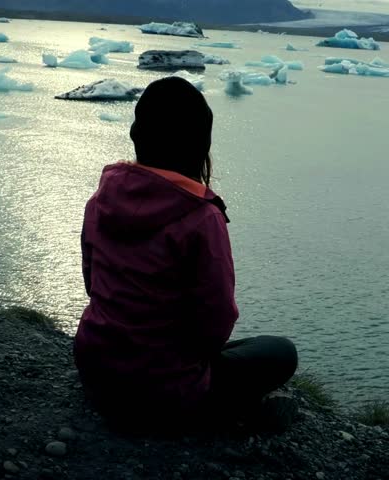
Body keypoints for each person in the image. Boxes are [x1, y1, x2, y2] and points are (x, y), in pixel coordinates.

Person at [74, 77, 298, 431]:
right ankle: (220, 413)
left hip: (97, 371)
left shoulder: (101, 200)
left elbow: (92, 283)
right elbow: (217, 319)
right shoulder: (201, 216)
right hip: (163, 392)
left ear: (138, 134)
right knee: (280, 352)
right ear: (198, 144)